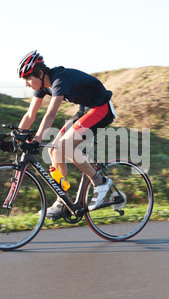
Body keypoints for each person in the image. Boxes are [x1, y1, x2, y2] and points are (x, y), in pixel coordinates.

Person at [17, 50, 117, 220]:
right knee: (54, 150)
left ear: (40, 74)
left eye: (28, 78)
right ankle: (62, 202)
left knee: (65, 145)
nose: (26, 83)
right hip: (86, 109)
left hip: (102, 108)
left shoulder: (59, 79)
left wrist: (36, 140)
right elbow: (29, 115)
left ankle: (100, 182)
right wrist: (16, 135)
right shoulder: (42, 85)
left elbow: (50, 114)